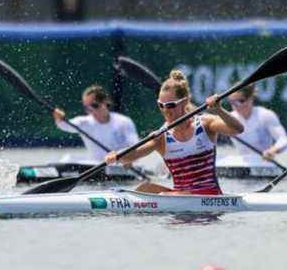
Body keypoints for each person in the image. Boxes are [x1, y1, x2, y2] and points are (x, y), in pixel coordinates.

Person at [104, 70, 244, 195]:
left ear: (185, 102)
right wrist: (117, 155)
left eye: (170, 105)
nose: (165, 110)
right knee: (144, 189)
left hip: (209, 194)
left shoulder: (206, 124)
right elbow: (134, 154)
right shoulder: (161, 136)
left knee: (172, 195)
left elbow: (238, 129)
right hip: (179, 196)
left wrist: (219, 110)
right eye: (161, 105)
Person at [52, 85, 139, 162]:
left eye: (94, 106)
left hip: (122, 165)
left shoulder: (124, 122)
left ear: (106, 103)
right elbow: (63, 125)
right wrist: (58, 117)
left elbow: (135, 146)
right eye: (87, 108)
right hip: (98, 167)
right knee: (67, 159)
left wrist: (127, 159)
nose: (91, 111)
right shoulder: (84, 123)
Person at [225, 84, 287, 169]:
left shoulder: (266, 115)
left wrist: (273, 150)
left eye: (240, 101)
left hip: (264, 163)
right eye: (232, 102)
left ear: (251, 98)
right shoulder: (228, 119)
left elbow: (284, 140)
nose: (235, 106)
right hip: (242, 163)